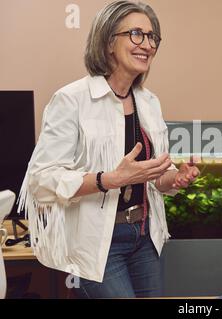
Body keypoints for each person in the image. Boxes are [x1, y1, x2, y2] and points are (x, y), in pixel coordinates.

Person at [18, 1, 199, 298]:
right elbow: (40, 181)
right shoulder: (71, 100)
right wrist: (108, 179)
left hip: (145, 237)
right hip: (99, 243)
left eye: (153, 37)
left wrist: (174, 178)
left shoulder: (149, 102)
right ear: (108, 41)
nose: (148, 45)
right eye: (137, 34)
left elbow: (156, 176)